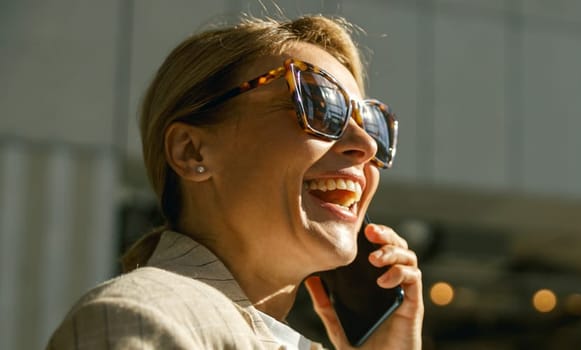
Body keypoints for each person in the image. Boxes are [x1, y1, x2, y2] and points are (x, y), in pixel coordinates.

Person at [47, 15, 422, 349]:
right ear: (192, 152)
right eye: (320, 104)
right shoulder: (141, 320)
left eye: (370, 123)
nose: (366, 144)